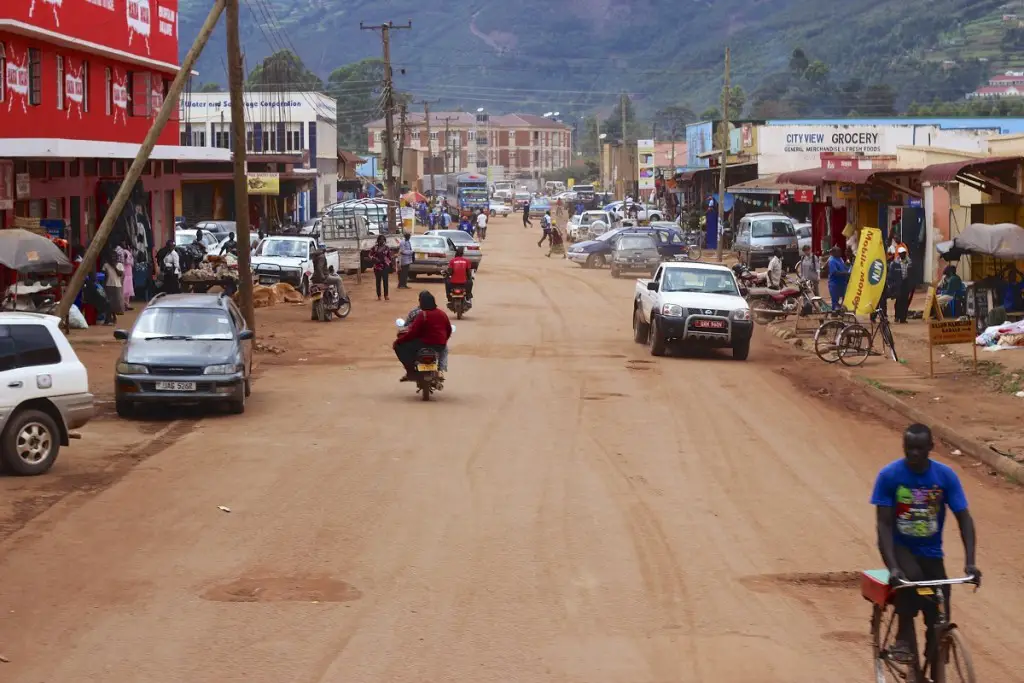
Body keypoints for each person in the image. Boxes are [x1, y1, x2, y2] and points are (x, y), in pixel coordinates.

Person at [871, 423, 979, 667]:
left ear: (931, 447)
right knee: (913, 580)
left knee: (939, 606)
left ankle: (935, 660)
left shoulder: (944, 476)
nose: (914, 454)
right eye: (909, 448)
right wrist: (893, 567)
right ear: (904, 447)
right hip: (901, 549)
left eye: (920, 449)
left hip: (931, 552)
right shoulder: (890, 476)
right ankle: (903, 641)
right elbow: (884, 526)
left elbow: (964, 518)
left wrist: (970, 563)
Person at [394, 290, 452, 382]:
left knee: (398, 346)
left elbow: (413, 332)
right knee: (445, 350)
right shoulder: (442, 313)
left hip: (424, 343)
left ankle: (410, 371)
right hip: (439, 345)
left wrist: (400, 341)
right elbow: (448, 330)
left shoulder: (423, 314)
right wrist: (443, 341)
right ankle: (440, 370)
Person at [892, 247, 913, 323]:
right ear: (899, 254)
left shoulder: (909, 262)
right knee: (898, 301)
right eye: (901, 253)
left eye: (904, 253)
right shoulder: (896, 263)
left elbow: (912, 273)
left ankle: (903, 318)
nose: (903, 255)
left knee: (904, 301)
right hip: (898, 284)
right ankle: (897, 316)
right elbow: (892, 274)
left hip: (905, 283)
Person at [102, 255, 124, 326]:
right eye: (112, 258)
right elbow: (104, 276)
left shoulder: (120, 265)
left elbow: (120, 274)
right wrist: (104, 286)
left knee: (115, 303)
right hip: (108, 285)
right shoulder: (106, 265)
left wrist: (114, 267)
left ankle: (113, 317)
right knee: (109, 303)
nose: (113, 259)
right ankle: (109, 319)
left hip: (117, 285)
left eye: (115, 258)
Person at [369, 234, 392, 301]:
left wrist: (387, 262)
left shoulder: (387, 248)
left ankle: (386, 295)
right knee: (378, 282)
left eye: (383, 239)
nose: (381, 241)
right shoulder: (374, 248)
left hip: (385, 267)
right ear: (378, 240)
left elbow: (389, 257)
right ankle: (379, 296)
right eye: (380, 239)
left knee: (385, 281)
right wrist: (374, 259)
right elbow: (370, 255)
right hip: (377, 267)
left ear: (384, 240)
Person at [827, 245, 850, 311]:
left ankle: (842, 312)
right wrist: (846, 273)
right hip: (835, 284)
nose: (840, 253)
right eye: (838, 252)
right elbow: (835, 272)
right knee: (835, 301)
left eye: (840, 251)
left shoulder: (840, 259)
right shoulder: (832, 261)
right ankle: (834, 315)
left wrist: (849, 268)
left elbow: (844, 267)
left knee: (845, 298)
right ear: (834, 253)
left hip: (842, 283)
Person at [115, 239, 135, 310]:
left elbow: (131, 262)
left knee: (128, 290)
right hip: (125, 272)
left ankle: (127, 304)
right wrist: (128, 259)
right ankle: (124, 304)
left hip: (128, 272)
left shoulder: (128, 252)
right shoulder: (123, 252)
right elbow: (127, 262)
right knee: (124, 289)